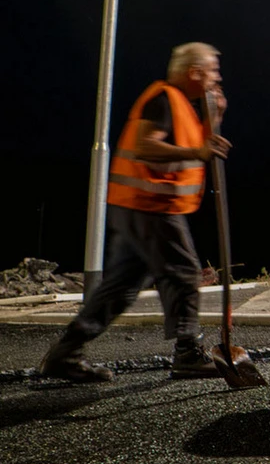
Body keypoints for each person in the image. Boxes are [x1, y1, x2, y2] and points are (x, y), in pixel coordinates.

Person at [38, 43, 232, 382]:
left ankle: (64, 355)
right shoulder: (164, 98)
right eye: (213, 70)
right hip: (150, 206)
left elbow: (202, 146)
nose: (218, 76)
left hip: (140, 206)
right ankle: (188, 353)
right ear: (194, 72)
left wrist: (215, 115)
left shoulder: (182, 104)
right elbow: (146, 145)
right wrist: (197, 150)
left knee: (120, 287)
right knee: (184, 272)